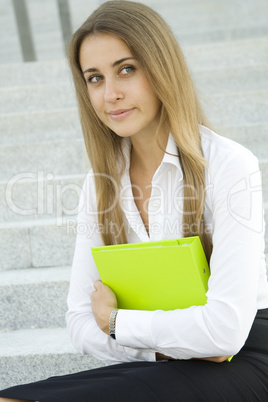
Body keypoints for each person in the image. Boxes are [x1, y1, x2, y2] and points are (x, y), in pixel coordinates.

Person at [1, 1, 268, 401]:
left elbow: (226, 332)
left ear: (161, 67)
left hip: (250, 357)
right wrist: (170, 340)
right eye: (94, 78)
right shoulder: (100, 183)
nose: (111, 94)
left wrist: (114, 322)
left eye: (126, 69)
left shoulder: (229, 165)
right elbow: (78, 322)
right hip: (173, 362)